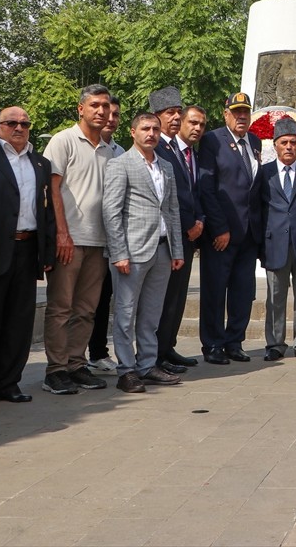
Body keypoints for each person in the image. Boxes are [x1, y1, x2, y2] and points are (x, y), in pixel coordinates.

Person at [0, 106, 55, 409]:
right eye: (12, 123)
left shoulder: (40, 162)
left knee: (19, 322)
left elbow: (47, 211)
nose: (19, 128)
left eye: (25, 123)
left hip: (28, 249)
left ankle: (9, 382)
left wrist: (47, 251)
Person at [42, 84, 118, 395]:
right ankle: (55, 370)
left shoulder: (111, 150)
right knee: (61, 307)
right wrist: (61, 233)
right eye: (95, 105)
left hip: (99, 242)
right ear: (81, 109)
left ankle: (76, 364)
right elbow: (52, 189)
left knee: (86, 309)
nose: (101, 111)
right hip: (69, 240)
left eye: (105, 106)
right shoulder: (63, 141)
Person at [102, 112, 185, 393]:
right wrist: (118, 253)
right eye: (145, 128)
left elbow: (172, 209)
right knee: (125, 314)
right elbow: (111, 212)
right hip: (132, 252)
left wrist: (177, 249)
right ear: (133, 132)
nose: (151, 134)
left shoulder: (166, 166)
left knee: (151, 314)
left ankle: (147, 365)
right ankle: (126, 370)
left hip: (162, 249)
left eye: (155, 129)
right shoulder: (120, 164)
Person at [197, 92, 262, 365]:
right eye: (236, 112)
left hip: (249, 234)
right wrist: (219, 227)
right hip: (222, 234)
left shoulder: (255, 142)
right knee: (215, 291)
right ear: (226, 114)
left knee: (242, 292)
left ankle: (234, 342)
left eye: (245, 112)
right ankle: (212, 344)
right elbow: (207, 187)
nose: (241, 117)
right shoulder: (212, 140)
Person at [253, 118, 296, 361]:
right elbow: (258, 211)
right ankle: (275, 344)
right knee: (275, 297)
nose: (289, 147)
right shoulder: (265, 173)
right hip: (274, 244)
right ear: (275, 145)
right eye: (284, 142)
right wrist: (259, 245)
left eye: (293, 142)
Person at [153, 98, 206, 373]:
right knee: (163, 298)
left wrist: (200, 221)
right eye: (170, 113)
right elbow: (167, 197)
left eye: (177, 112)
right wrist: (188, 224)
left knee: (177, 296)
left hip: (187, 235)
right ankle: (155, 354)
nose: (175, 117)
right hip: (168, 234)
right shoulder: (156, 147)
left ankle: (168, 346)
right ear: (157, 116)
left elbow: (193, 191)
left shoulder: (181, 149)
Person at [87, 97, 126, 374]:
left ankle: (98, 352)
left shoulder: (120, 151)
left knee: (104, 298)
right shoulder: (84, 145)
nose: (110, 119)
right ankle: (70, 359)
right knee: (82, 301)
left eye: (116, 115)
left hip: (112, 238)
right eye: (107, 113)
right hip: (85, 235)